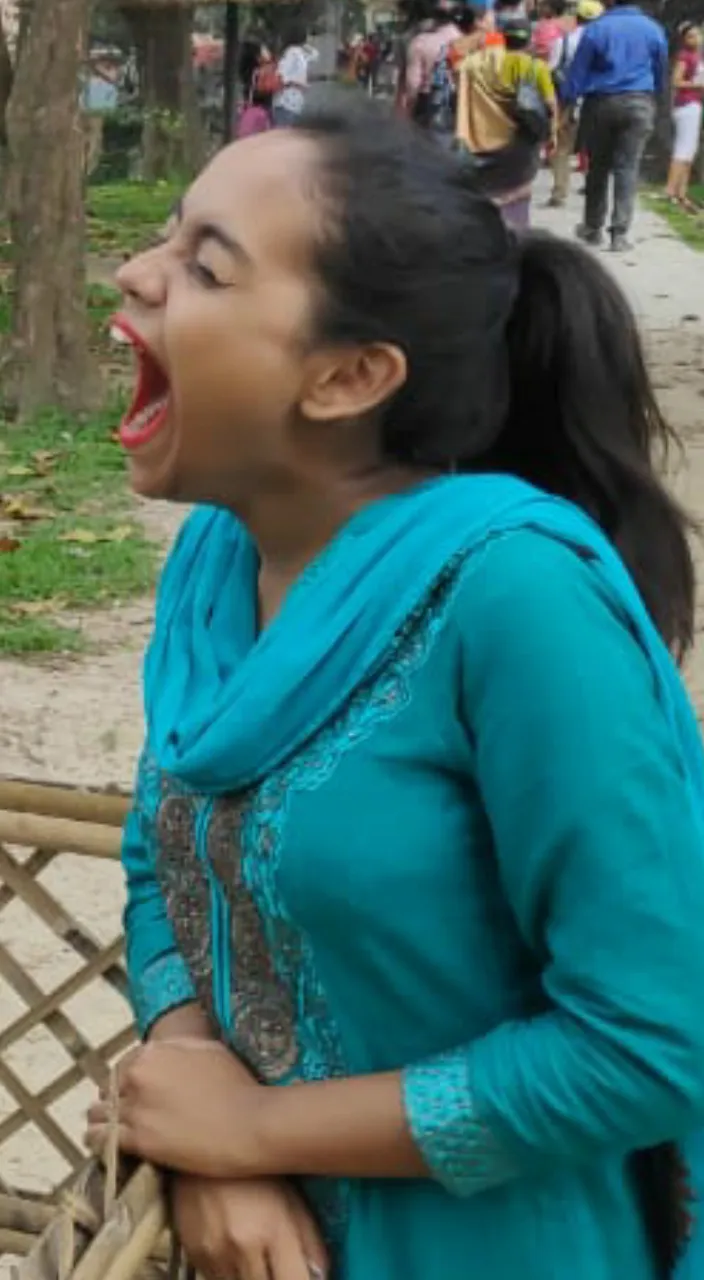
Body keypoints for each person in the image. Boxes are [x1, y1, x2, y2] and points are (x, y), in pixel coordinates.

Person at [87, 93, 704, 1280]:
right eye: (167, 234)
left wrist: (259, 1126)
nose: (135, 271)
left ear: (348, 375)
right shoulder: (221, 556)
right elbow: (161, 853)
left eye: (204, 268)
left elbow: (651, 1042)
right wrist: (202, 1096)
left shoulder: (514, 599)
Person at [562, 0, 668, 251]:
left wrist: (566, 103)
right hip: (639, 102)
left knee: (598, 167)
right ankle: (619, 234)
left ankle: (592, 227)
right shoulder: (653, 29)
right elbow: (660, 70)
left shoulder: (597, 28)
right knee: (627, 168)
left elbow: (578, 72)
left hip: (601, 103)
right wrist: (657, 100)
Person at [456, 18, 556, 228]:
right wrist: (552, 134)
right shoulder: (536, 66)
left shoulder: (480, 64)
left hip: (483, 137)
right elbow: (549, 103)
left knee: (488, 188)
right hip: (522, 138)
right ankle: (516, 232)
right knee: (520, 188)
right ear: (529, 40)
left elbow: (456, 64)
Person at [547, 0, 604, 207]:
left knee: (562, 147)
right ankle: (594, 188)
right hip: (596, 99)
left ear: (577, 17)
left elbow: (551, 70)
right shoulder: (603, 42)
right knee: (595, 146)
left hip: (569, 100)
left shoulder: (562, 42)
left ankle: (560, 192)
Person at [665, 23, 704, 210]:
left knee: (690, 150)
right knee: (682, 149)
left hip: (696, 104)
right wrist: (696, 85)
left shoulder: (699, 57)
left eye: (698, 35)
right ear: (684, 39)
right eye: (691, 36)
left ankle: (682, 192)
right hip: (685, 104)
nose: (696, 39)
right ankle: (671, 190)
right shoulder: (684, 57)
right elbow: (676, 81)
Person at [405, 0, 462, 122]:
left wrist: (412, 103)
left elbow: (413, 83)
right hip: (459, 101)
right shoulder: (466, 41)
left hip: (427, 101)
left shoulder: (420, 42)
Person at [272, 21, 310, 126]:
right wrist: (297, 84)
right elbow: (281, 76)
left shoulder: (297, 52)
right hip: (287, 101)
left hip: (292, 102)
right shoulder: (292, 52)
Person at [532, 0, 568, 69]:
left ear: (553, 11)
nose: (540, 8)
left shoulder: (553, 26)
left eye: (544, 6)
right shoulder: (544, 22)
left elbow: (545, 47)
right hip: (541, 60)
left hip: (544, 64)